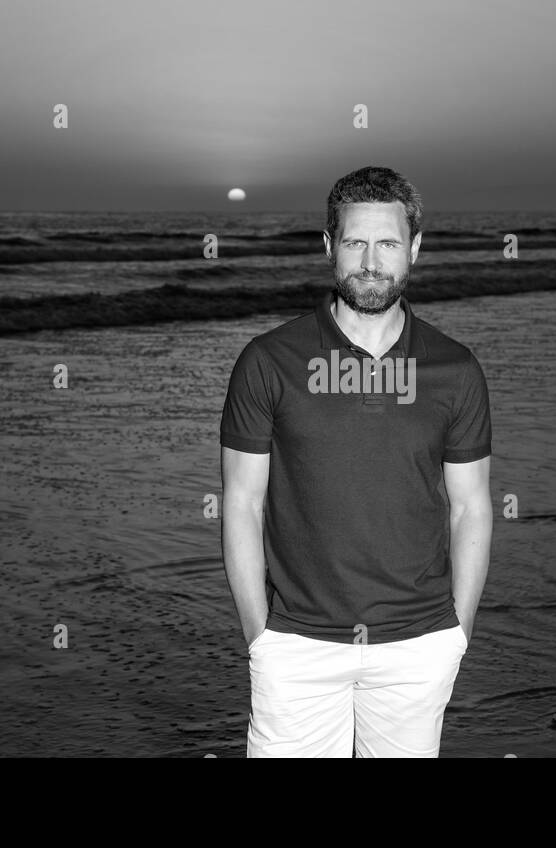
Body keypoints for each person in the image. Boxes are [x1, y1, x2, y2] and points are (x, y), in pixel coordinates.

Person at [220, 165, 493, 757]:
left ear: (414, 249)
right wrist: (258, 634)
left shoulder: (455, 369)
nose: (371, 260)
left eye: (389, 242)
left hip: (418, 645)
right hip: (296, 646)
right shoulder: (269, 362)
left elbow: (471, 506)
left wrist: (457, 634)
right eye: (355, 241)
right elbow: (241, 501)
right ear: (329, 247)